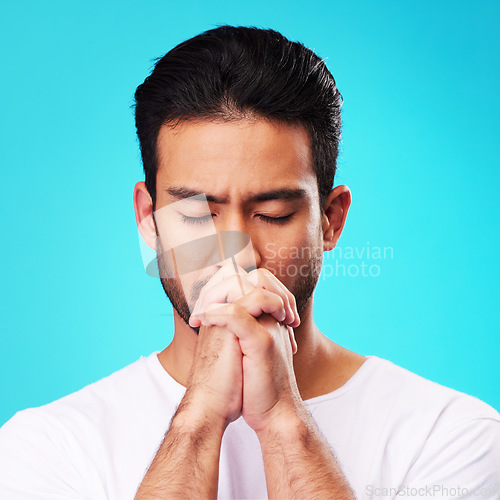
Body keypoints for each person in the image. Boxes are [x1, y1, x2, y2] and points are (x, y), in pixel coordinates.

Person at [0, 24, 499, 500]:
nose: (235, 256)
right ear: (150, 218)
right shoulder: (47, 447)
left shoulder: (454, 436)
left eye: (272, 214)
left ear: (330, 220)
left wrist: (285, 422)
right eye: (197, 214)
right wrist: (197, 420)